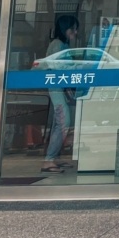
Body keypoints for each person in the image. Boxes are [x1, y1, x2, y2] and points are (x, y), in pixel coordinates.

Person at [41, 15, 79, 174]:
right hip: (56, 87)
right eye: (74, 29)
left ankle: (54, 157)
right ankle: (49, 160)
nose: (75, 33)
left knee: (62, 122)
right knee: (63, 121)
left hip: (60, 88)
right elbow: (62, 67)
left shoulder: (62, 45)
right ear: (66, 30)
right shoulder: (57, 45)